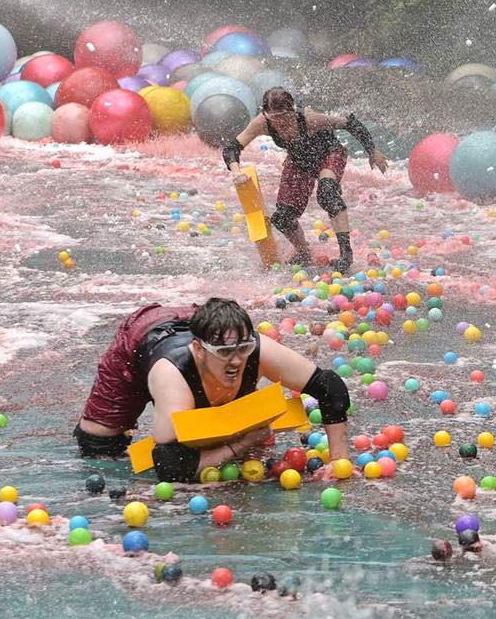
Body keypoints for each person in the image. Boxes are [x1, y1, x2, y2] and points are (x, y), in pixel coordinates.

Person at [74, 298, 353, 483]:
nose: (237, 361)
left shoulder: (252, 348)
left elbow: (331, 388)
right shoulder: (173, 375)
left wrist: (338, 463)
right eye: (225, 353)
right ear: (199, 351)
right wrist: (243, 443)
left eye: (243, 349)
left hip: (204, 326)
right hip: (142, 338)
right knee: (98, 446)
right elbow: (169, 466)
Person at [221, 87, 389, 274]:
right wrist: (236, 171)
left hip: (329, 154)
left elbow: (350, 123)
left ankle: (346, 254)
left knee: (327, 194)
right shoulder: (262, 123)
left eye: (284, 116)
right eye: (274, 117)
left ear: (293, 110)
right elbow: (232, 147)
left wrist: (372, 151)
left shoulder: (310, 118)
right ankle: (303, 252)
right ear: (266, 114)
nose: (280, 122)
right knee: (283, 217)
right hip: (299, 161)